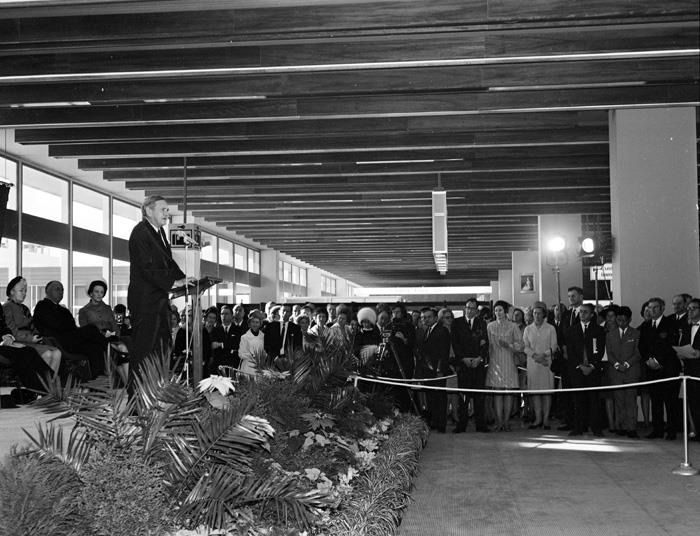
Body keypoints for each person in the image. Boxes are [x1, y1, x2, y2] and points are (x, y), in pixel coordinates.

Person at [127, 195, 192, 394]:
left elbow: (168, 263)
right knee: (144, 352)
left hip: (159, 301)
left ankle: (155, 394)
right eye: (163, 210)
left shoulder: (159, 232)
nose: (167, 213)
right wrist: (173, 282)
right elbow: (146, 267)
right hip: (145, 302)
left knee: (161, 349)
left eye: (167, 210)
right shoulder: (140, 233)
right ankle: (137, 402)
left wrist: (185, 279)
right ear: (148, 210)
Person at [33, 280, 108, 378]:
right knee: (91, 329)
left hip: (71, 339)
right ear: (48, 291)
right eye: (57, 289)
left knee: (95, 348)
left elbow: (70, 326)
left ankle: (98, 382)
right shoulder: (42, 306)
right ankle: (110, 347)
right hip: (58, 341)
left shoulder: (63, 310)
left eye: (62, 290)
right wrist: (67, 326)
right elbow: (55, 325)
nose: (61, 292)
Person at [639, 297, 681, 440]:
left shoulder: (670, 323)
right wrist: (648, 360)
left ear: (662, 308)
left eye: (656, 307)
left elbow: (671, 344)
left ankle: (671, 431)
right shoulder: (645, 326)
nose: (652, 310)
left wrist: (658, 360)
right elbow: (642, 347)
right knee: (656, 401)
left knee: (670, 402)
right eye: (650, 308)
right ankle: (657, 430)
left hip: (668, 368)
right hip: (652, 369)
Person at [3, 276, 62, 374]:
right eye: (21, 290)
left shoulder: (25, 308)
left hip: (31, 340)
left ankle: (50, 385)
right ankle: (40, 385)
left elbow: (33, 326)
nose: (24, 293)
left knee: (57, 353)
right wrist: (30, 338)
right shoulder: (7, 307)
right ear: (12, 292)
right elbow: (12, 332)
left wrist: (37, 336)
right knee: (47, 354)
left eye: (25, 291)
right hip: (19, 342)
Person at [564, 303, 606, 437]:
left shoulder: (598, 330)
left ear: (592, 314)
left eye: (585, 312)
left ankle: (596, 427)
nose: (582, 314)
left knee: (594, 400)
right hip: (577, 370)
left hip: (593, 370)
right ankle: (578, 427)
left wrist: (592, 366)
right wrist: (580, 365)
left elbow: (600, 350)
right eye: (581, 312)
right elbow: (570, 352)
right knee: (578, 400)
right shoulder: (572, 330)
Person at [450, 298, 489, 433]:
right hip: (463, 364)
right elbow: (455, 343)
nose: (469, 310)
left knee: (479, 396)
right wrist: (463, 358)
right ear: (464, 308)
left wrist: (479, 358)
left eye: (472, 308)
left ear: (476, 310)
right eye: (467, 307)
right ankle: (462, 424)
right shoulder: (457, 323)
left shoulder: (482, 323)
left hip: (478, 364)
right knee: (463, 397)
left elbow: (485, 343)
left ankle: (480, 425)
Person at [0, 303, 53, 394]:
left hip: (4, 343)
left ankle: (50, 385)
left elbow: (3, 326)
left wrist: (8, 337)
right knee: (21, 354)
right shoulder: (7, 306)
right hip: (1, 345)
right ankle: (38, 390)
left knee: (29, 350)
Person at [605, 306, 642, 438]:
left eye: (624, 320)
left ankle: (631, 428)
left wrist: (626, 364)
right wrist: (616, 365)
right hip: (616, 372)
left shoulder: (636, 333)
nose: (621, 323)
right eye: (619, 320)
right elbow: (609, 353)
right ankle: (620, 426)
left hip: (631, 371)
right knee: (618, 400)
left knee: (631, 400)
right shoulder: (610, 335)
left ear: (629, 320)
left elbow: (638, 353)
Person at [485, 301, 522, 431]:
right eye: (496, 310)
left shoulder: (513, 326)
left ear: (505, 312)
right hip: (495, 363)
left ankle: (506, 421)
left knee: (508, 393)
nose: (498, 313)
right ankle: (499, 421)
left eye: (500, 310)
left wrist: (509, 345)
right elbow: (487, 346)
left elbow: (520, 345)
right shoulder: (490, 326)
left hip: (509, 362)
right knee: (497, 393)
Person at [416, 307, 451, 433]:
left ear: (435, 318)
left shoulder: (442, 331)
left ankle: (441, 424)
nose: (425, 319)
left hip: (437, 371)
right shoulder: (425, 330)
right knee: (430, 397)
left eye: (428, 317)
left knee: (440, 398)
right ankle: (435, 422)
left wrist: (439, 370)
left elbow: (444, 353)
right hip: (427, 371)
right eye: (423, 317)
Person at [523, 304, 558, 429]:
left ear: (544, 314)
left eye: (539, 313)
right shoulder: (528, 329)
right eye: (534, 313)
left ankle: (546, 419)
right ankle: (538, 419)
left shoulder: (551, 328)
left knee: (546, 391)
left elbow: (554, 346)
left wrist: (544, 355)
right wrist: (535, 356)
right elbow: (525, 346)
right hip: (533, 363)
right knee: (535, 392)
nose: (536, 315)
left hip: (547, 363)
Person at [678, 298, 700, 439]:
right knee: (693, 402)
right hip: (690, 370)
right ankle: (697, 431)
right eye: (689, 309)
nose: (690, 311)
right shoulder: (686, 327)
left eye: (694, 308)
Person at [264, 304, 302, 369]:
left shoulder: (296, 328)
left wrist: (289, 358)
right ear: (279, 312)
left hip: (289, 361)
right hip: (273, 361)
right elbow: (266, 344)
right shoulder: (271, 326)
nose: (285, 313)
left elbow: (297, 346)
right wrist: (275, 357)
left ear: (291, 313)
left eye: (288, 311)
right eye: (283, 310)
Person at [239, 309, 266, 377]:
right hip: (248, 368)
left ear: (260, 324)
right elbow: (241, 354)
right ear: (249, 323)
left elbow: (265, 351)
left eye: (257, 322)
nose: (255, 324)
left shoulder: (263, 336)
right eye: (253, 322)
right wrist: (252, 355)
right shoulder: (244, 337)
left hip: (260, 367)